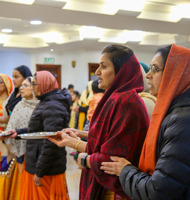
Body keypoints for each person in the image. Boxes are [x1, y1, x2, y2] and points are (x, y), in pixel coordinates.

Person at [49, 44, 150, 200]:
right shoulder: (117, 98)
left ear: (121, 70)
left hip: (112, 191)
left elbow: (110, 159)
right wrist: (79, 134)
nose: (97, 72)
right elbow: (106, 138)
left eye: (103, 66)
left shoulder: (127, 101)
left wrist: (72, 144)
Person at [101, 44, 190, 200]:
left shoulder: (181, 120)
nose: (148, 75)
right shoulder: (174, 112)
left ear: (175, 74)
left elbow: (159, 190)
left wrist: (125, 170)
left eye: (155, 69)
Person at [7, 71, 71, 200]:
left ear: (44, 84)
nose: (32, 87)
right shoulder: (46, 101)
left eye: (34, 84)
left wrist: (40, 172)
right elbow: (38, 131)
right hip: (39, 163)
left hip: (46, 170)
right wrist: (18, 133)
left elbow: (51, 142)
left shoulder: (52, 105)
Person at [0, 77, 39, 200]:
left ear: (34, 87)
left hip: (36, 153)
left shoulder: (41, 106)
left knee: (35, 189)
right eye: (22, 85)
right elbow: (12, 126)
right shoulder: (19, 105)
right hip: (20, 152)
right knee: (23, 186)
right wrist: (6, 135)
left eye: (25, 85)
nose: (21, 88)